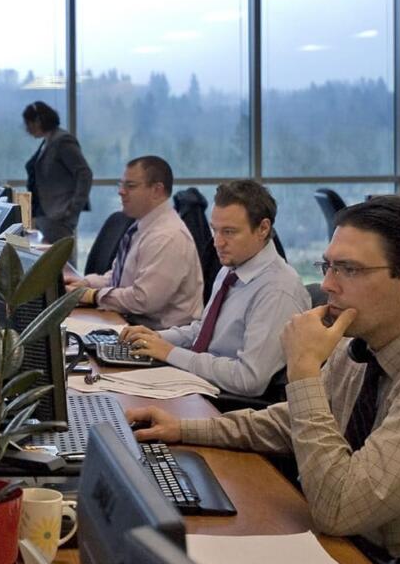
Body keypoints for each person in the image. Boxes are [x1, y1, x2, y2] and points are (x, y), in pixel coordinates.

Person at [128, 197, 400, 564]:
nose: (329, 285)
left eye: (349, 270)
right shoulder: (365, 341)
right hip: (364, 549)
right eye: (328, 266)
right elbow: (298, 419)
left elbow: (337, 508)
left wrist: (302, 368)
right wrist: (184, 428)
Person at [121, 181, 309, 396]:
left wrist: (171, 353)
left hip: (229, 406)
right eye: (215, 230)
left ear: (263, 229)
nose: (217, 242)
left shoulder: (277, 290)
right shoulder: (234, 267)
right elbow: (204, 331)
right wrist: (157, 338)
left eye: (229, 232)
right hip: (203, 384)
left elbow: (249, 379)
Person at [65, 155, 202, 330]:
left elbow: (143, 300)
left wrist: (92, 296)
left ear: (156, 191)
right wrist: (86, 283)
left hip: (160, 339)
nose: (121, 191)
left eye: (130, 186)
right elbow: (119, 278)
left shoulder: (168, 236)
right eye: (121, 185)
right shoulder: (143, 226)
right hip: (132, 327)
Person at [23, 101, 93, 243]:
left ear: (37, 121)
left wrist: (72, 209)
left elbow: (84, 173)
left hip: (58, 214)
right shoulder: (48, 141)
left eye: (28, 123)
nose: (27, 129)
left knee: (60, 261)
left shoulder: (62, 141)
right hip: (47, 214)